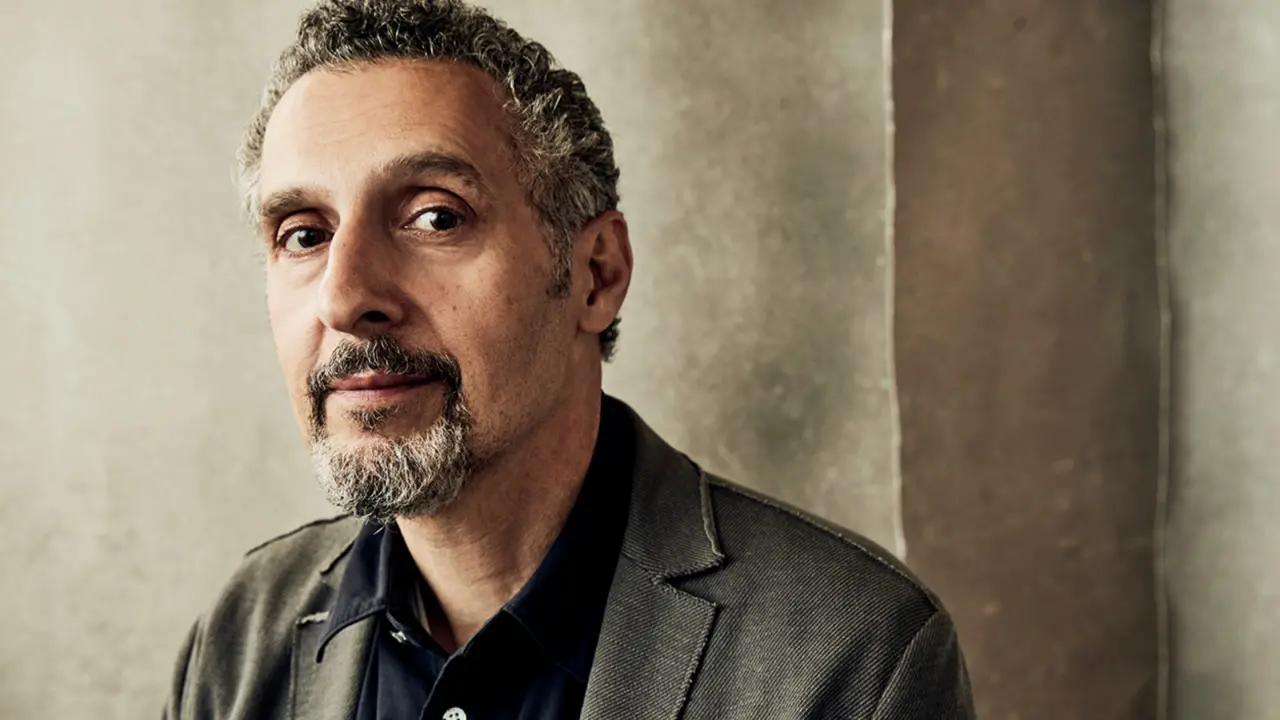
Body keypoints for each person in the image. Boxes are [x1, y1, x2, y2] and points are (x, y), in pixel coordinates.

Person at [162, 1, 975, 717]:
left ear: (596, 275)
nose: (344, 296)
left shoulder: (852, 659)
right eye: (303, 234)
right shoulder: (241, 640)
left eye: (436, 218)